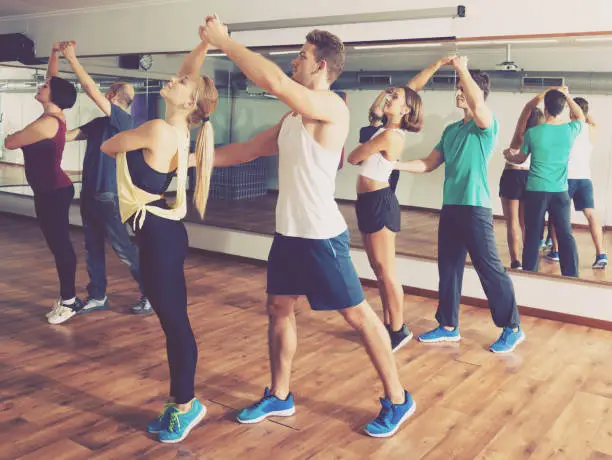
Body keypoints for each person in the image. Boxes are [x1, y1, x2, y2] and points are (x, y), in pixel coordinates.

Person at [201, 15, 415, 438]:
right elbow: (246, 151)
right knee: (278, 309)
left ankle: (398, 398)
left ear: (320, 65)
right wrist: (190, 160)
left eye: (301, 55)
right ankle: (280, 394)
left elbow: (277, 84)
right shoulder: (293, 120)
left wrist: (225, 42)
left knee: (358, 316)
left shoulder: (332, 108)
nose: (295, 61)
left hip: (321, 236)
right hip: (289, 234)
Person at [101, 32, 218, 443]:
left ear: (189, 102)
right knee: (173, 323)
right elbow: (190, 75)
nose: (174, 78)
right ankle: (179, 400)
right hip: (158, 233)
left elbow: (108, 145)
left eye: (180, 82)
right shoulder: (181, 128)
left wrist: (118, 132)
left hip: (158, 236)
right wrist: (204, 45)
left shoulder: (156, 129)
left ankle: (187, 406)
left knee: (176, 324)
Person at [396, 56, 524, 353]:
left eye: (462, 90)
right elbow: (429, 163)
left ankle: (512, 327)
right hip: (451, 207)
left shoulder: (485, 126)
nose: (457, 94)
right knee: (449, 267)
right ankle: (448, 325)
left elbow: (478, 105)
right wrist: (395, 164)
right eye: (456, 89)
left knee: (489, 269)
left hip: (476, 207)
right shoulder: (451, 131)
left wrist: (461, 67)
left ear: (474, 93)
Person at [60, 41, 151, 315]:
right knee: (92, 249)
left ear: (114, 95)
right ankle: (98, 295)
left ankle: (151, 293)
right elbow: (69, 135)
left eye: (109, 91)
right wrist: (44, 132)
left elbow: (89, 89)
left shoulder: (123, 121)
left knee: (124, 250)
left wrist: (71, 58)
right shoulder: (100, 123)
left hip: (109, 197)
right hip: (89, 193)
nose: (105, 93)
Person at [4, 43, 82, 325]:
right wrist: (54, 55)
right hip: (49, 190)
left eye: (45, 85)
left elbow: (9, 143)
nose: (42, 85)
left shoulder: (47, 123)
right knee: (56, 244)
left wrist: (16, 132)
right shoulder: (52, 114)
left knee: (60, 245)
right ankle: (68, 297)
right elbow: (54, 82)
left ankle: (70, 301)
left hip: (54, 192)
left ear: (54, 96)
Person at [347, 85, 423, 352]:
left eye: (395, 98)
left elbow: (353, 157)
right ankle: (389, 324)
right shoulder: (382, 130)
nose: (389, 99)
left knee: (387, 272)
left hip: (381, 204)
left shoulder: (391, 135)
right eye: (390, 96)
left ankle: (398, 329)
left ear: (405, 110)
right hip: (367, 202)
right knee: (379, 271)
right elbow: (373, 115)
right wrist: (383, 94)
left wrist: (364, 147)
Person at [505, 88, 584, 277]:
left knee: (533, 235)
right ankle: (571, 275)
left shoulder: (533, 133)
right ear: (563, 107)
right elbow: (580, 116)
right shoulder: (570, 129)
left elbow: (520, 158)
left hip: (536, 191)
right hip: (560, 192)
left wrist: (509, 155)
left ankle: (529, 274)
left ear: (545, 108)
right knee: (565, 235)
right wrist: (567, 96)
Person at [547, 97, 607, 269]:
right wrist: (584, 112)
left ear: (572, 111)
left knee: (555, 213)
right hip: (584, 179)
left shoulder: (567, 128)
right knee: (591, 213)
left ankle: (556, 251)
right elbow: (591, 120)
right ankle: (601, 253)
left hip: (566, 178)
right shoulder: (592, 129)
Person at [500, 95, 545, 270]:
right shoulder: (539, 137)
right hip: (529, 177)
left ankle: (515, 261)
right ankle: (529, 261)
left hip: (512, 175)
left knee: (512, 223)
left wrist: (543, 93)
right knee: (526, 224)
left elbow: (527, 108)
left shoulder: (520, 135)